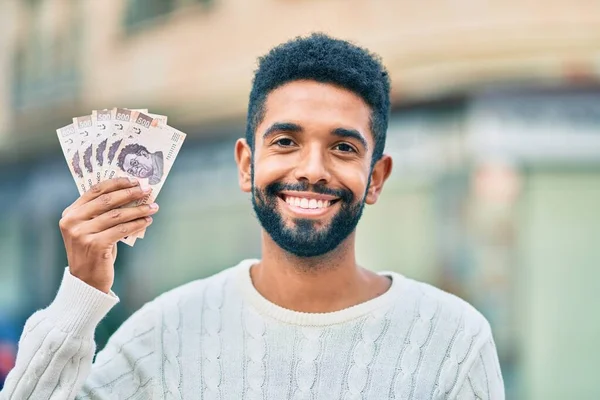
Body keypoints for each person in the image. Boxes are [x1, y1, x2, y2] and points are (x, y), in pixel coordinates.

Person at [1, 33, 504, 399]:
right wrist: (80, 293)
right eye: (286, 142)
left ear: (376, 177)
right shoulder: (164, 332)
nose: (312, 170)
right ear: (247, 164)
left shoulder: (453, 339)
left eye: (344, 147)